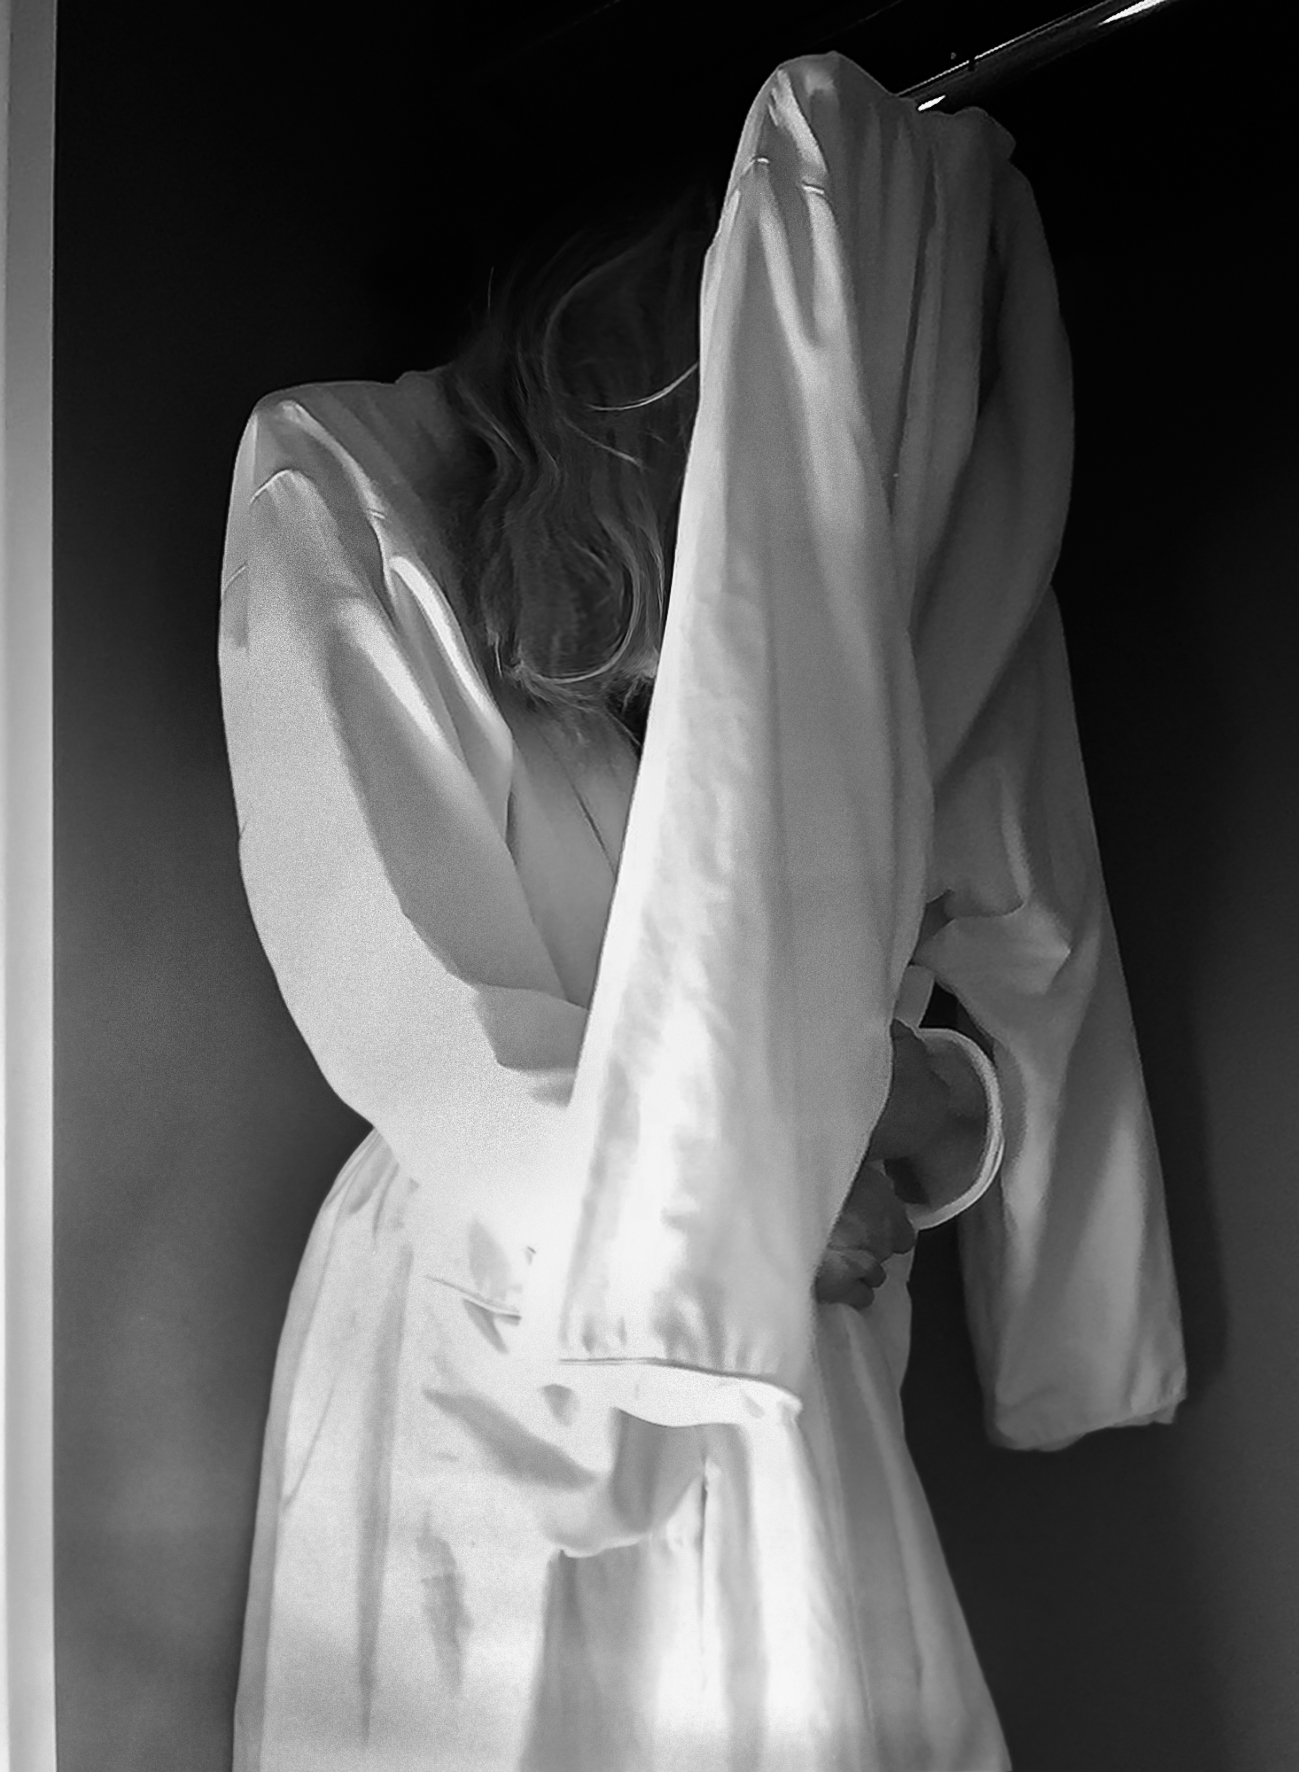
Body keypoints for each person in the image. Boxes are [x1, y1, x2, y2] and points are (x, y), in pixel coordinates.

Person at [219, 52, 1183, 1771]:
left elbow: (1017, 922)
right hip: (505, 1323)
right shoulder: (340, 477)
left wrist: (919, 1136)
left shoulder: (878, 542)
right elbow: (406, 998)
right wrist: (735, 1196)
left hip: (793, 1316)